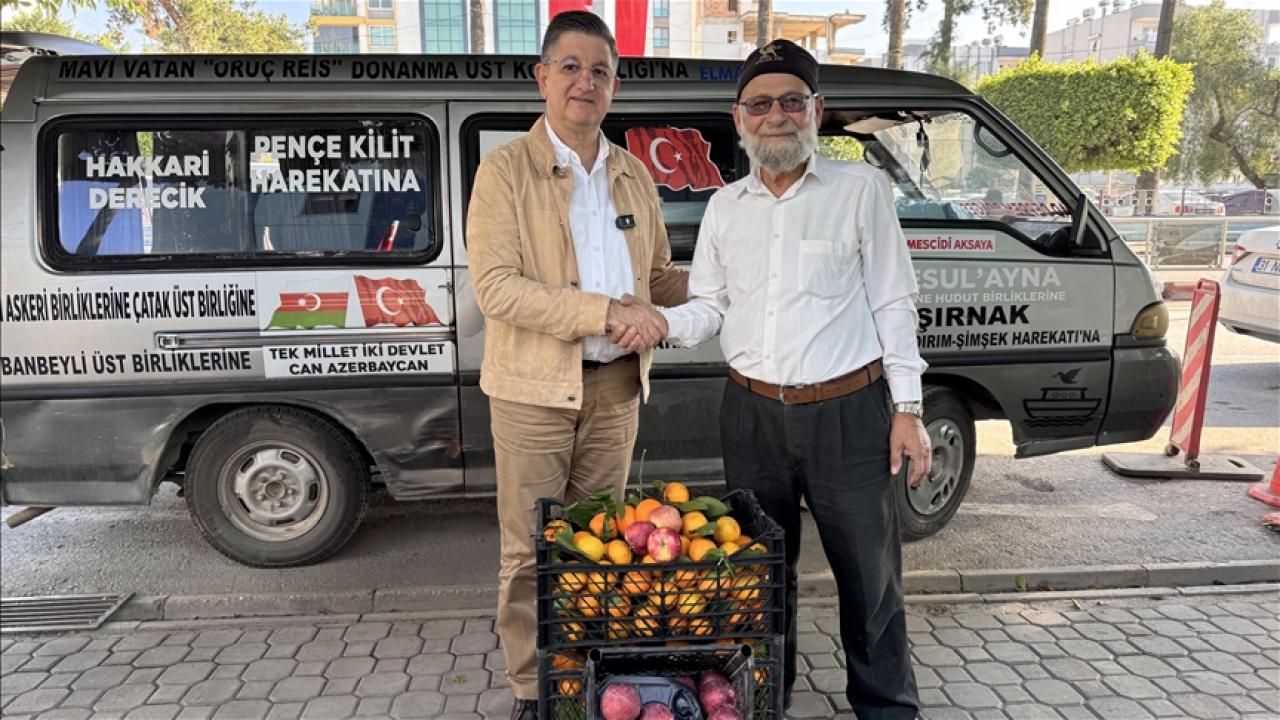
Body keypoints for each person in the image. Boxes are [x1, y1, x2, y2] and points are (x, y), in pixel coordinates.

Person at [626, 39, 931, 719]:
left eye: (791, 101)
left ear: (816, 111)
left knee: (871, 576)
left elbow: (893, 301)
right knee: (757, 573)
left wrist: (907, 408)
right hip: (752, 415)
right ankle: (766, 698)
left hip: (849, 413)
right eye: (760, 104)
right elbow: (710, 308)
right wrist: (659, 322)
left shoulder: (860, 191)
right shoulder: (725, 207)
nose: (776, 116)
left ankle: (887, 708)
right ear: (739, 119)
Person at [464, 11, 686, 720]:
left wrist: (733, 280)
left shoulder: (633, 175)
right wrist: (603, 312)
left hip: (616, 390)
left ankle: (587, 668)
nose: (584, 82)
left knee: (604, 544)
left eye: (600, 71)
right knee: (531, 549)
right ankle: (534, 688)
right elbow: (497, 288)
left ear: (614, 86)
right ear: (542, 78)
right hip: (533, 392)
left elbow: (659, 277)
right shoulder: (504, 171)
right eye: (570, 67)